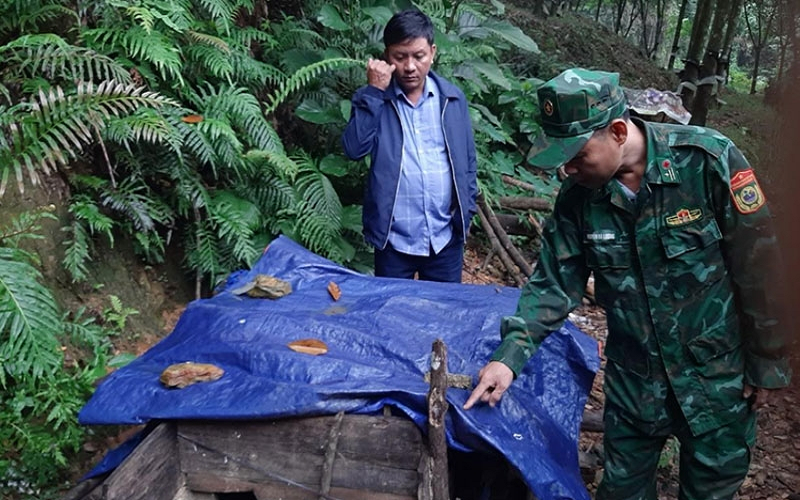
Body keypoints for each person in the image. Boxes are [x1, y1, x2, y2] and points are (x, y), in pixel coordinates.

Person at [463, 68, 792, 499]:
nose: (567, 170)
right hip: (636, 387)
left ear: (618, 131)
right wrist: (509, 358)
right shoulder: (578, 200)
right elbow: (552, 285)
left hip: (716, 381)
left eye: (577, 155)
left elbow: (760, 265)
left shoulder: (706, 162)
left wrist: (769, 359)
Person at [341, 9, 478, 283]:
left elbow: (468, 161)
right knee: (391, 318)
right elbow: (354, 149)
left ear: (433, 52)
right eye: (400, 57)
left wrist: (466, 212)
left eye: (418, 56)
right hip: (393, 242)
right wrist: (374, 93)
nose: (410, 66)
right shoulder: (375, 99)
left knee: (444, 317)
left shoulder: (452, 99)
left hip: (444, 240)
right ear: (386, 56)